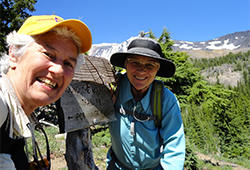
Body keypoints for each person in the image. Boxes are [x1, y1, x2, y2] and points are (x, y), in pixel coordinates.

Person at [0, 15, 92, 169]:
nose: (58, 70)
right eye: (48, 54)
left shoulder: (17, 116)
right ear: (14, 54)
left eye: (68, 63)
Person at [107, 37, 185, 169]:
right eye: (134, 62)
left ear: (157, 70)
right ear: (125, 65)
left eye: (150, 65)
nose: (141, 70)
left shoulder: (166, 100)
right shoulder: (113, 89)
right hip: (116, 166)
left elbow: (174, 146)